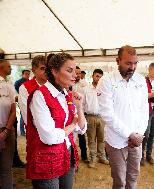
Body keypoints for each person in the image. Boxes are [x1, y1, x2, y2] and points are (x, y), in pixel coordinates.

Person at [26, 52, 87, 189]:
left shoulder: (66, 94)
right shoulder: (40, 95)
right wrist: (72, 124)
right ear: (54, 71)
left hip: (66, 153)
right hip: (47, 160)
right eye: (69, 70)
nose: (75, 75)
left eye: (75, 70)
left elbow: (82, 129)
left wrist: (79, 106)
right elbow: (49, 137)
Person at [97, 45, 148, 189]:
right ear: (117, 61)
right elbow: (107, 114)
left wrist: (139, 134)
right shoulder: (106, 81)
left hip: (137, 139)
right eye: (128, 63)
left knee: (133, 176)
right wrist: (129, 134)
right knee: (119, 180)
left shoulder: (140, 80)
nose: (132, 67)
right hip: (116, 140)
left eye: (135, 63)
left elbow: (144, 110)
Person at [81, 69, 109, 168]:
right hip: (90, 117)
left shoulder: (104, 89)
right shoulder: (85, 89)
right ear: (92, 76)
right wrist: (83, 117)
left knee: (102, 138)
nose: (98, 78)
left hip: (102, 117)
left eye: (100, 77)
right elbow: (82, 104)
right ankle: (93, 158)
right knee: (91, 139)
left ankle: (101, 156)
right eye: (97, 76)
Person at [0, 59, 16, 189]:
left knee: (6, 167)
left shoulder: (9, 84)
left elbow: (13, 111)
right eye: (9, 66)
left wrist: (6, 131)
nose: (11, 68)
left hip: (6, 131)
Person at [73, 66, 88, 162]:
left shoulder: (85, 84)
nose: (77, 75)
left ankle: (84, 156)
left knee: (82, 136)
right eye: (76, 73)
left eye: (79, 73)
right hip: (71, 113)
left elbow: (87, 98)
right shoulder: (68, 83)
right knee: (72, 138)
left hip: (81, 112)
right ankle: (73, 158)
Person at [14, 69, 30, 136]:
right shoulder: (18, 82)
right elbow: (15, 91)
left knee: (28, 115)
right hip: (21, 100)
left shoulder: (29, 81)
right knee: (23, 115)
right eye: (26, 73)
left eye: (28, 74)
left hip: (28, 100)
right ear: (22, 74)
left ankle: (26, 130)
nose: (27, 75)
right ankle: (22, 131)